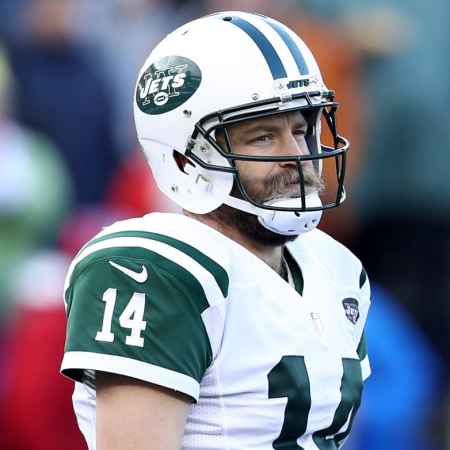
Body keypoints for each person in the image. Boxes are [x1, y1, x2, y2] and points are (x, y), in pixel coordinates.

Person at [60, 11, 371, 450]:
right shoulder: (154, 269)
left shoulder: (337, 269)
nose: (296, 155)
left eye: (301, 130)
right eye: (263, 137)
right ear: (186, 159)